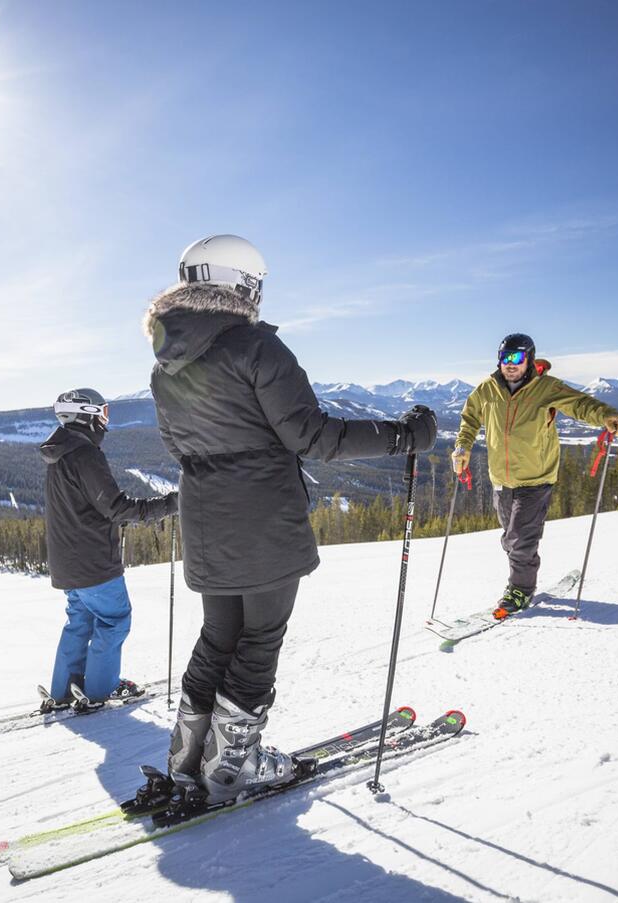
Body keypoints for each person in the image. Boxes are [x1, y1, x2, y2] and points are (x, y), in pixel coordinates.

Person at [144, 234, 437, 803]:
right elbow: (314, 437)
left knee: (219, 637)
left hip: (206, 520)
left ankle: (187, 757)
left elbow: (179, 449)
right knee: (259, 642)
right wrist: (404, 435)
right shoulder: (255, 347)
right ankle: (232, 766)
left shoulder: (165, 365)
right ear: (241, 283)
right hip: (263, 523)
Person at [451, 334, 618, 617]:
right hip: (502, 478)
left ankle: (520, 590)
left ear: (529, 360)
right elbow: (470, 417)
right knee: (510, 539)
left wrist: (606, 415)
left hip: (536, 478)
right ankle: (524, 573)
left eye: (517, 358)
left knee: (520, 538)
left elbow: (579, 404)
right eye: (506, 358)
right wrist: (463, 447)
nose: (511, 364)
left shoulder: (545, 388)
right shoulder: (487, 389)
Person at [40, 388, 178, 707]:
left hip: (67, 562)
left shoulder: (59, 454)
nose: (105, 421)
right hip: (94, 563)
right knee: (114, 619)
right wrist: (170, 504)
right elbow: (116, 507)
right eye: (102, 413)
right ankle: (101, 689)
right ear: (86, 416)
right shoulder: (85, 454)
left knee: (80, 620)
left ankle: (64, 689)